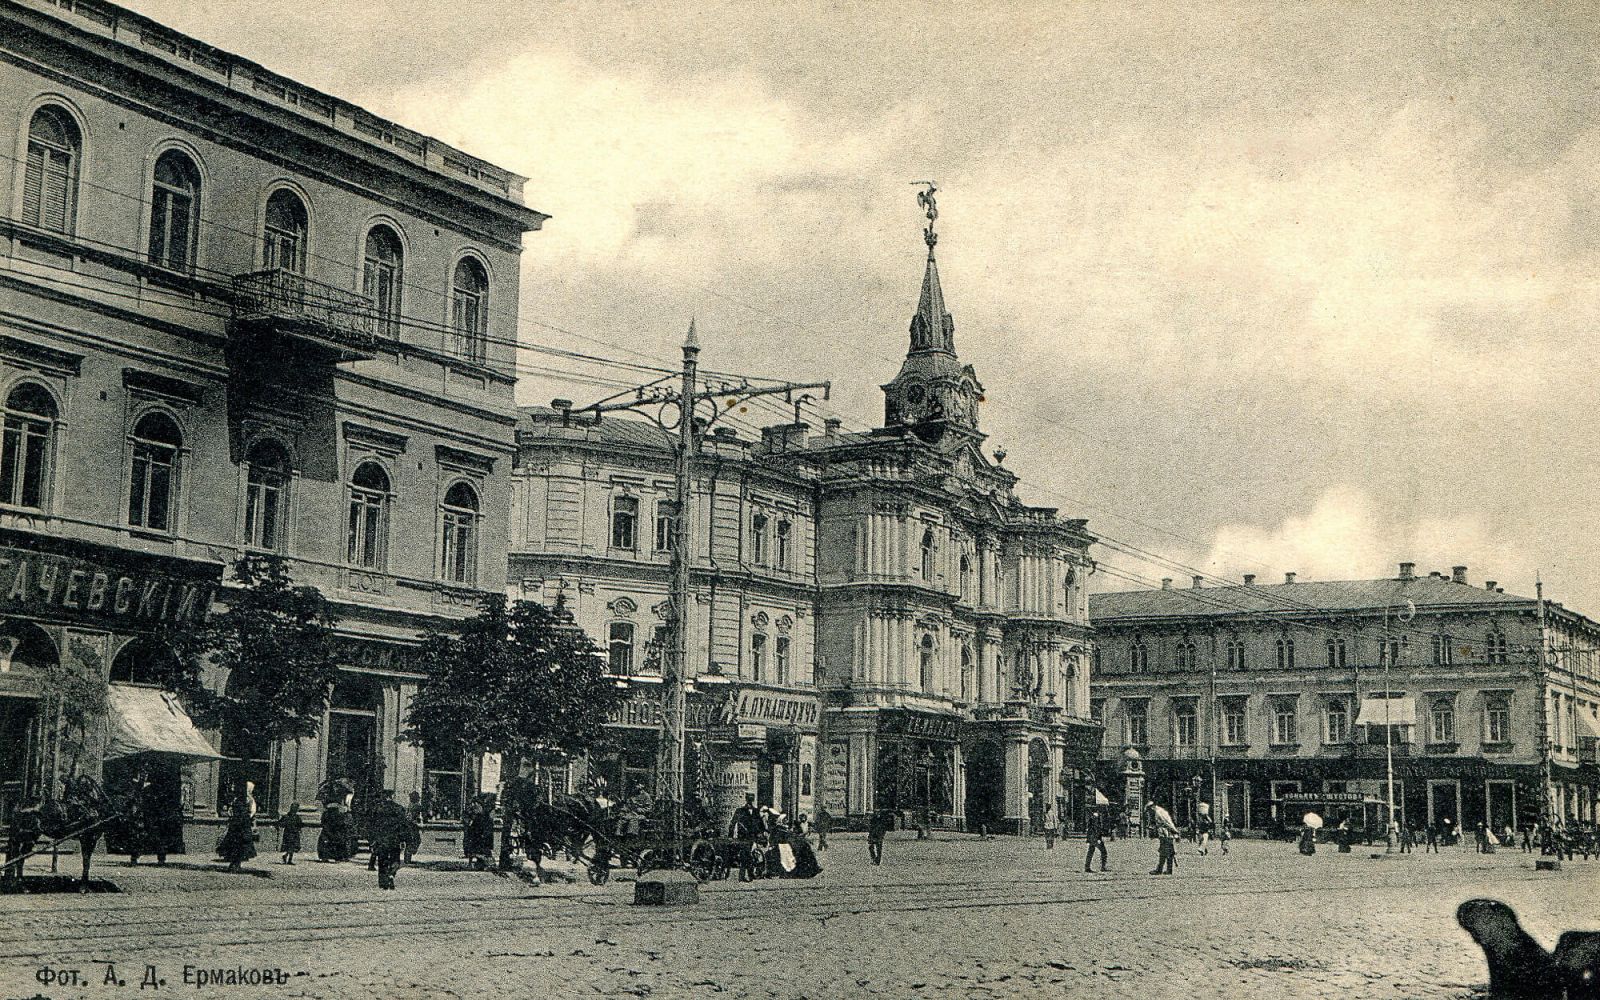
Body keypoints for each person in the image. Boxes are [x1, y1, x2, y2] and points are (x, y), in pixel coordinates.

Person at [369, 791, 410, 890]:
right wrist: (403, 839)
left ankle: (383, 883)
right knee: (395, 859)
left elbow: (372, 826)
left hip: (381, 839)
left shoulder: (377, 809)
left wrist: (372, 840)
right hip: (394, 839)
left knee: (382, 860)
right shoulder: (399, 809)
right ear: (392, 796)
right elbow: (403, 826)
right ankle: (391, 874)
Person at [217, 781, 258, 872]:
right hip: (241, 826)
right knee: (238, 845)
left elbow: (251, 812)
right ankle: (235, 864)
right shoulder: (241, 800)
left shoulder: (245, 800)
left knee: (237, 845)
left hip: (239, 825)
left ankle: (235, 864)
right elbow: (250, 813)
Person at [728, 793, 763, 882]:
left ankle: (746, 875)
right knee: (745, 854)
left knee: (749, 854)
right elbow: (733, 823)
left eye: (752, 798)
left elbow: (760, 823)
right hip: (743, 836)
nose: (750, 800)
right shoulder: (740, 810)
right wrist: (730, 836)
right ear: (746, 799)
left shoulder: (756, 811)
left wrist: (761, 832)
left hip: (753, 836)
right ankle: (745, 876)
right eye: (749, 798)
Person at [318, 793, 356, 862]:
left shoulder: (326, 813)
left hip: (328, 830)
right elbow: (341, 823)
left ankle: (325, 857)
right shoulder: (338, 814)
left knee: (326, 842)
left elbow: (323, 822)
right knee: (336, 842)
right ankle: (337, 857)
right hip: (335, 831)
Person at [1148, 803, 1178, 874]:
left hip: (1165, 834)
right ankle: (1167, 870)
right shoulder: (1161, 811)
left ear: (1152, 807)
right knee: (1168, 852)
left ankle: (1160, 870)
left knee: (1164, 852)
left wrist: (1175, 831)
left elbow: (1167, 823)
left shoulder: (1159, 813)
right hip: (1167, 834)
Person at [1084, 808, 1108, 873]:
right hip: (1095, 838)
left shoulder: (1093, 816)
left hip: (1092, 837)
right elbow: (1096, 828)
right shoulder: (1096, 817)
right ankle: (1103, 867)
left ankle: (1087, 867)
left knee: (1091, 851)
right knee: (1103, 851)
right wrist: (1099, 838)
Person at [404, 791, 425, 864]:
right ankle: (408, 858)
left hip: (408, 826)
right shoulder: (416, 806)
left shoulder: (409, 805)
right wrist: (416, 822)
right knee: (414, 841)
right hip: (412, 826)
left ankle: (407, 858)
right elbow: (412, 817)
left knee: (410, 842)